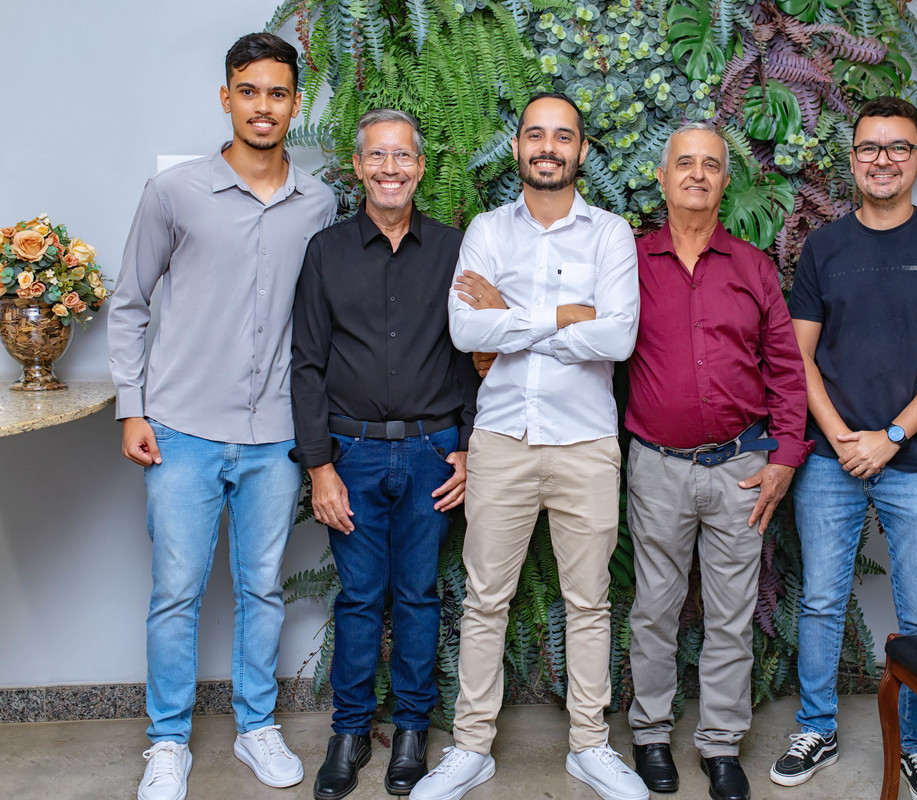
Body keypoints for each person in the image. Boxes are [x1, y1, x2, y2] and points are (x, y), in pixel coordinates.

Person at [108, 32, 337, 800]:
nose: (262, 106)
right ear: (226, 97)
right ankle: (167, 741)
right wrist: (132, 409)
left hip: (276, 436)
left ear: (294, 104)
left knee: (262, 589)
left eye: (277, 93)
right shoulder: (174, 194)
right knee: (175, 593)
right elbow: (129, 303)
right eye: (248, 91)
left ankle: (256, 727)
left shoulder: (320, 204)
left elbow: (322, 322)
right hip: (180, 429)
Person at [410, 92, 647, 800]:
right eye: (536, 135)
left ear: (581, 150)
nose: (548, 147)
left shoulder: (610, 235)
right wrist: (570, 316)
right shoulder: (486, 231)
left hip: (586, 444)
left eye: (563, 136)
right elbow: (466, 331)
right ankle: (471, 748)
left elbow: (618, 337)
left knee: (589, 602)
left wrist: (511, 316)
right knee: (485, 600)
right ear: (517, 147)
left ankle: (590, 746)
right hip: (503, 440)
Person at [770, 96, 917, 800]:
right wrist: (838, 437)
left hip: (916, 460)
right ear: (852, 159)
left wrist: (889, 438)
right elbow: (798, 357)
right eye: (868, 148)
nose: (882, 160)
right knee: (822, 602)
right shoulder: (825, 247)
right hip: (831, 459)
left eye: (897, 148)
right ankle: (817, 728)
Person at [290, 108, 478, 799]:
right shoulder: (326, 252)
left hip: (433, 453)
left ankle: (411, 733)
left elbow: (475, 354)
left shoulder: (455, 250)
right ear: (358, 166)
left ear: (420, 168)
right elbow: (306, 364)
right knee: (360, 598)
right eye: (377, 156)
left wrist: (468, 449)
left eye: (402, 156)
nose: (390, 168)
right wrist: (320, 469)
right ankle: (347, 733)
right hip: (352, 457)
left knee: (420, 597)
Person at [621, 122, 811, 800]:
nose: (697, 174)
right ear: (663, 176)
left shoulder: (754, 267)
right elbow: (586, 329)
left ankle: (722, 745)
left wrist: (785, 457)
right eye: (685, 163)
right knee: (654, 608)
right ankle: (650, 734)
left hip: (741, 467)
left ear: (726, 181)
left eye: (710, 165)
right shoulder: (629, 261)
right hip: (657, 466)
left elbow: (786, 369)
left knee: (732, 614)